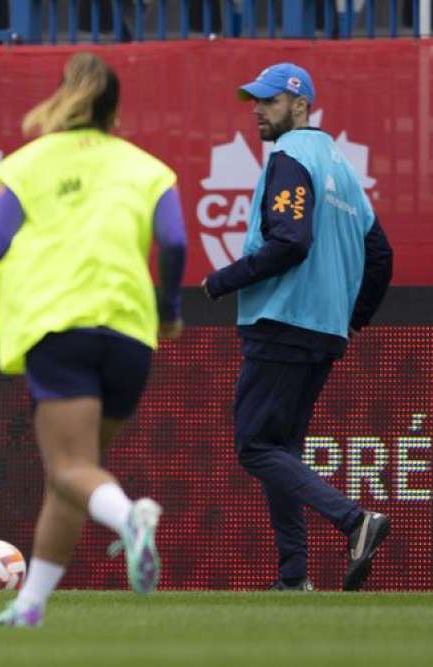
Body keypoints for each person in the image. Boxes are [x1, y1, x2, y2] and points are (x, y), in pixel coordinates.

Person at [0, 52, 187, 627]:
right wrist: (168, 309)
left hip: (61, 324)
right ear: (114, 108)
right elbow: (172, 242)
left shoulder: (27, 164)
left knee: (72, 467)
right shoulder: (147, 167)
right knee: (74, 473)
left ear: (65, 96)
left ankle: (129, 517)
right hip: (129, 332)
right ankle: (29, 606)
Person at [202, 63, 394, 591]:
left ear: (300, 104)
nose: (257, 111)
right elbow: (381, 256)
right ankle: (293, 578)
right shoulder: (344, 168)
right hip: (322, 329)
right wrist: (351, 322)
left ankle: (355, 521)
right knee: (279, 451)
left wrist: (225, 279)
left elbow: (290, 242)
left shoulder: (291, 156)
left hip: (283, 320)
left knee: (254, 447)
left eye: (268, 101)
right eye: (255, 101)